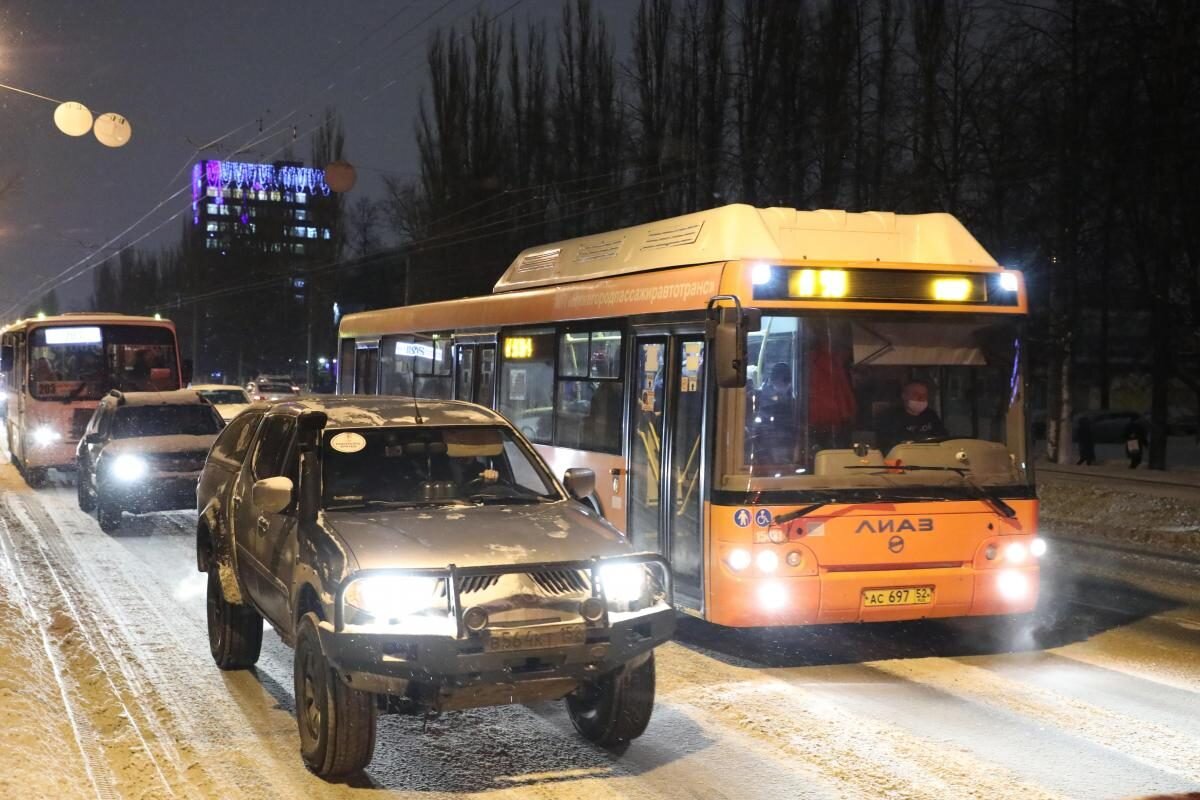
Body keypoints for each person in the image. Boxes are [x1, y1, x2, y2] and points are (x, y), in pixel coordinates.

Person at [876, 380, 946, 453]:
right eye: (916, 394)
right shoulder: (889, 417)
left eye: (924, 395)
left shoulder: (931, 415)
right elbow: (886, 446)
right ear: (904, 396)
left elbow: (943, 438)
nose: (921, 398)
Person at [751, 362, 798, 463]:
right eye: (781, 381)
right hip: (767, 447)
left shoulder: (795, 401)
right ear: (773, 381)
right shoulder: (760, 398)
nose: (784, 386)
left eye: (786, 382)